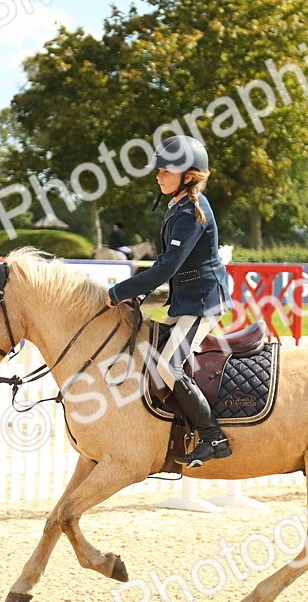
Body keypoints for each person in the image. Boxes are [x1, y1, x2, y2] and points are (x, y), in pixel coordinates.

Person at [105, 135, 233, 467]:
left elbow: (166, 267)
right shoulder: (177, 205)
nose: (159, 175)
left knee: (167, 365)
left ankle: (212, 436)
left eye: (166, 170)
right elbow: (169, 264)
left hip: (203, 302)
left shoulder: (192, 210)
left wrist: (119, 292)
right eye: (159, 170)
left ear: (188, 176)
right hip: (186, 302)